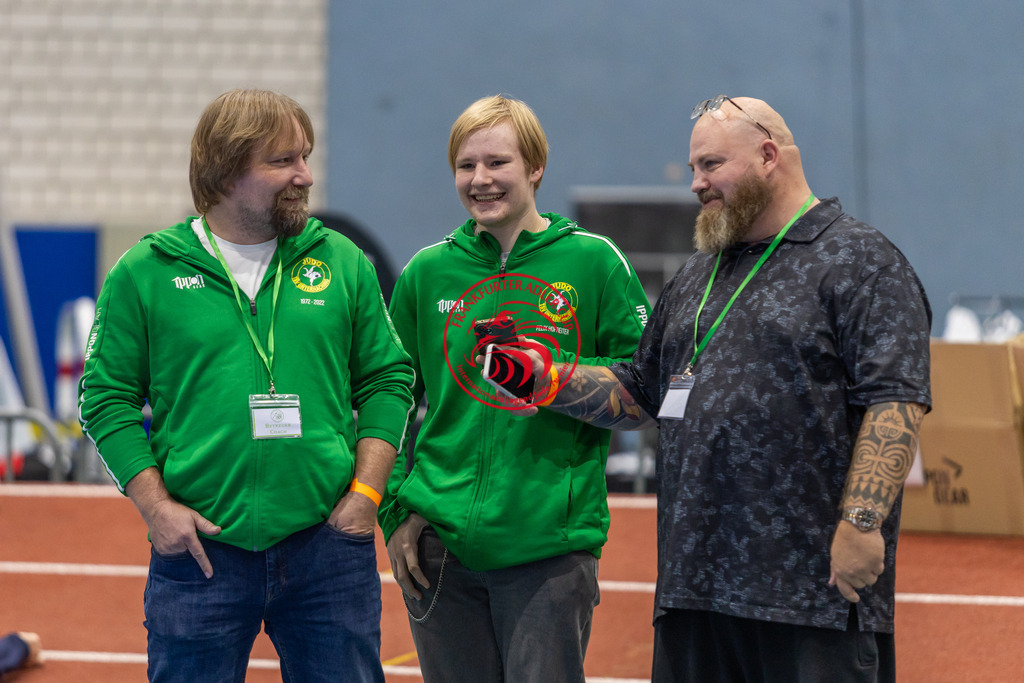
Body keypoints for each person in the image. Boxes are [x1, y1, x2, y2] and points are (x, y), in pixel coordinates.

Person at [521, 96, 932, 682]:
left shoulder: (860, 261)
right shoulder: (698, 273)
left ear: (768, 156)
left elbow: (895, 400)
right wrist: (545, 375)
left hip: (810, 597)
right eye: (693, 168)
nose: (696, 183)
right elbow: (640, 390)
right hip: (693, 597)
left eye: (711, 165)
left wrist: (863, 523)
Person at [78, 89, 415, 683]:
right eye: (283, 161)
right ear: (228, 170)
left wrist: (367, 493)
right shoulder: (147, 271)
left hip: (328, 548)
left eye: (305, 157)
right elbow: (106, 400)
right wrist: (157, 509)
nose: (305, 176)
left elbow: (389, 378)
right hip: (199, 552)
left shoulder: (341, 262)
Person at [380, 95, 650, 682]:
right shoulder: (427, 273)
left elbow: (642, 392)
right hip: (439, 550)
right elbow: (387, 397)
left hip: (547, 550)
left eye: (498, 162)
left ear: (535, 168)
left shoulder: (593, 262)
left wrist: (550, 378)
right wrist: (397, 508)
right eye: (466, 165)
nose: (480, 180)